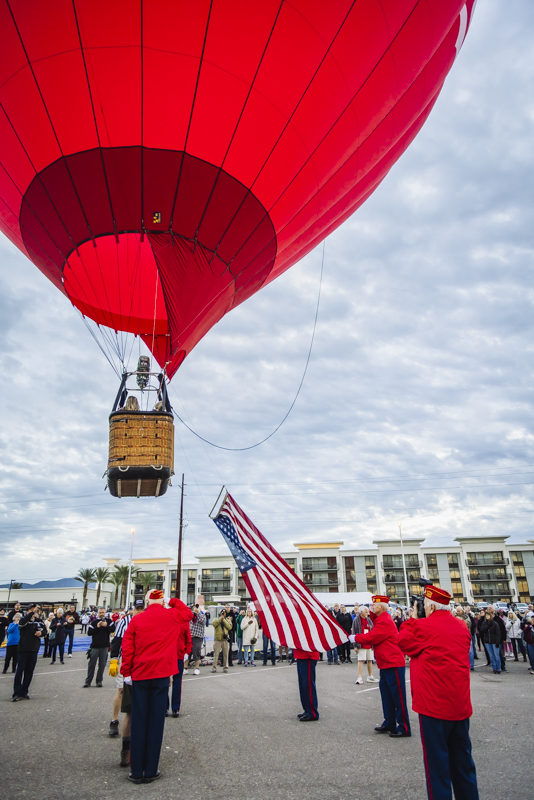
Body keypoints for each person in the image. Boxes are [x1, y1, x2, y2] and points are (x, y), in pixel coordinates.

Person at [398, 585, 479, 800]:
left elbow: (404, 642)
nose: (423, 608)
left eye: (425, 604)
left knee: (437, 767)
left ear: (431, 605)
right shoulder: (462, 626)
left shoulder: (423, 627)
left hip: (433, 706)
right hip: (459, 705)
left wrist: (411, 619)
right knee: (463, 764)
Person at [121, 589, 194, 784]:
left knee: (138, 720)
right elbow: (188, 613)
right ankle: (151, 769)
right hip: (161, 674)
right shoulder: (171, 615)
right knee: (156, 722)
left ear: (146, 602)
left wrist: (126, 672)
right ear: (162, 601)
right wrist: (171, 600)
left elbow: (127, 646)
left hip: (140, 673)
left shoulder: (137, 619)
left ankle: (136, 770)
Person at [351, 595, 410, 738]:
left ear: (382, 607)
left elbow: (373, 637)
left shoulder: (384, 621)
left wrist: (356, 638)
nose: (372, 607)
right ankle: (389, 722)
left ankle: (404, 727)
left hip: (393, 662)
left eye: (375, 605)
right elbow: (372, 617)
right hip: (386, 662)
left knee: (397, 697)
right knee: (386, 695)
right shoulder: (381, 618)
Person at [108, 600, 144, 767]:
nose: (139, 611)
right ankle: (114, 720)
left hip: (143, 663)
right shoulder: (125, 622)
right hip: (126, 661)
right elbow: (116, 642)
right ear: (133, 608)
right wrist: (114, 660)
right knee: (121, 691)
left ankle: (136, 746)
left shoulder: (146, 620)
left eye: (142, 608)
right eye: (137, 608)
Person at [12, 603, 45, 701]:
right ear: (27, 611)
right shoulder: (23, 620)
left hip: (34, 649)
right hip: (23, 649)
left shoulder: (39, 621)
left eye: (35, 610)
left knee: (29, 672)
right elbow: (21, 624)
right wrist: (31, 613)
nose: (34, 612)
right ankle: (16, 693)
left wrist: (41, 633)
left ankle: (24, 691)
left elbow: (45, 631)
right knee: (19, 671)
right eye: (31, 610)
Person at [167, 610, 192, 717]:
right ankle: (164, 707)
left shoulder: (184, 623)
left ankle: (175, 707)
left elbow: (188, 639)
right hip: (167, 655)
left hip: (178, 655)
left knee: (177, 682)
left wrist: (187, 652)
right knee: (164, 682)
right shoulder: (167, 621)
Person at [84, 607, 115, 687]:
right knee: (91, 664)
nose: (102, 614)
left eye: (103, 612)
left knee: (102, 664)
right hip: (95, 646)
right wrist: (97, 627)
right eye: (100, 612)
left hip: (104, 646)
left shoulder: (109, 621)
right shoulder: (93, 622)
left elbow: (112, 630)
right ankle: (88, 681)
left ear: (105, 613)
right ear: (98, 613)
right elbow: (89, 633)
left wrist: (106, 626)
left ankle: (99, 681)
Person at [352, 606, 378, 684]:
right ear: (361, 612)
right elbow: (354, 633)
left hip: (369, 643)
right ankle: (359, 677)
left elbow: (372, 630)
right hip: (361, 643)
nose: (367, 613)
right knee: (361, 660)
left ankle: (370, 676)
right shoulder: (356, 620)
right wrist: (355, 645)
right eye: (366, 612)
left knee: (370, 659)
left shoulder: (369, 620)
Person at [295, 646, 320, 721]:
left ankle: (312, 712)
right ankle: (307, 709)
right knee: (303, 685)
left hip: (308, 654)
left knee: (308, 685)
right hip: (300, 653)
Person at [478, 607, 502, 674]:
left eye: (488, 615)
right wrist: (487, 626)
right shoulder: (484, 623)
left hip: (494, 641)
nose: (487, 617)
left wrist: (498, 642)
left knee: (496, 655)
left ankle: (498, 668)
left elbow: (498, 633)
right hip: (487, 641)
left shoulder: (495, 623)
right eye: (486, 616)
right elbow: (481, 631)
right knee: (491, 655)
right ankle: (494, 668)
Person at [212, 608, 232, 673]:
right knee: (216, 654)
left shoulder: (227, 620)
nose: (223, 613)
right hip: (217, 639)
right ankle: (214, 667)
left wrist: (223, 620)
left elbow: (229, 627)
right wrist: (221, 618)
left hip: (225, 640)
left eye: (224, 612)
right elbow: (214, 624)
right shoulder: (216, 619)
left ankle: (225, 667)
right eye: (221, 612)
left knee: (225, 654)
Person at [189, 600, 206, 676]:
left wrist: (198, 612)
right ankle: (185, 668)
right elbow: (185, 611)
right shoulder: (190, 615)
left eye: (197, 607)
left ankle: (197, 668)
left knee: (196, 653)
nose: (195, 609)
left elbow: (202, 621)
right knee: (187, 653)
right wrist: (191, 606)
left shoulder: (202, 615)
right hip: (189, 637)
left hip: (197, 637)